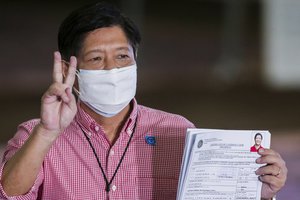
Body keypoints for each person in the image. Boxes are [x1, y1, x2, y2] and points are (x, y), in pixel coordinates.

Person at [0, 2, 287, 200]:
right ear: (67, 70)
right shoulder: (36, 135)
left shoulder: (178, 132)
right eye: (97, 59)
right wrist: (47, 132)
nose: (113, 69)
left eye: (122, 57)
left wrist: (257, 190)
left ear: (136, 61)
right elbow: (9, 194)